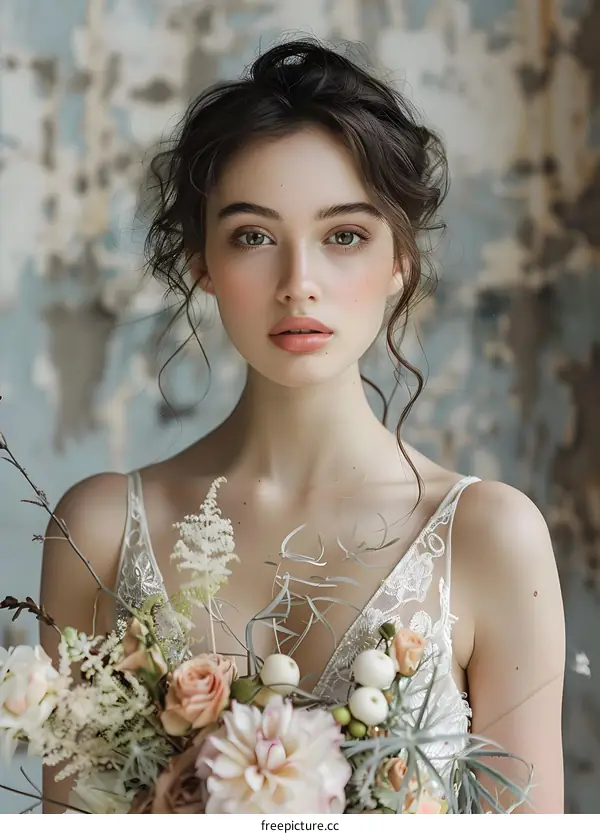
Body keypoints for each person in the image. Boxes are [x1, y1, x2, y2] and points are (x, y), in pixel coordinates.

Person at [40, 39, 565, 813]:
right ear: (202, 262)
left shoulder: (490, 535)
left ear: (400, 262)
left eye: (344, 235)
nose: (299, 285)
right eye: (254, 236)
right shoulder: (101, 528)